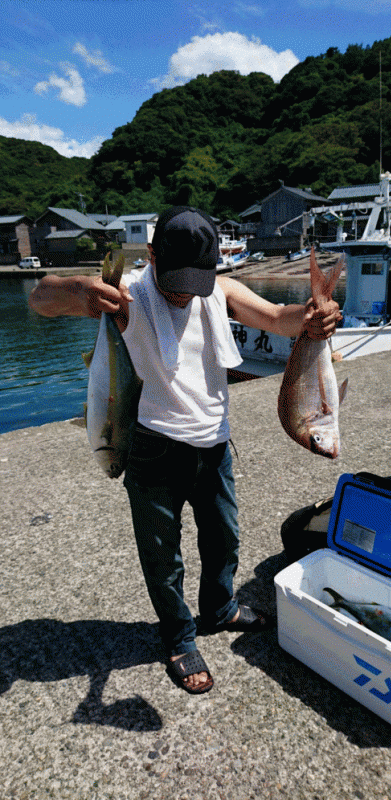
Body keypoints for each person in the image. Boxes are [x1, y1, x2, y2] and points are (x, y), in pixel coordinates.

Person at [29, 206, 341, 695]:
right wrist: (79, 291)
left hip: (214, 443)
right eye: (174, 278)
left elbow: (281, 318)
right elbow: (40, 295)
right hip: (153, 448)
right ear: (151, 255)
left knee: (224, 538)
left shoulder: (219, 289)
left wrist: (314, 317)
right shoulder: (130, 294)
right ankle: (178, 635)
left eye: (196, 278)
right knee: (162, 553)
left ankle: (220, 609)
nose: (183, 291)